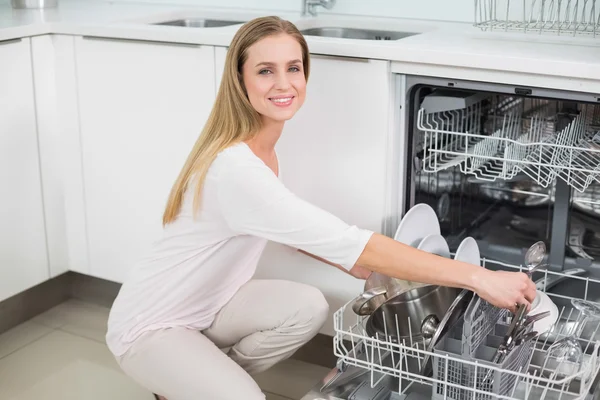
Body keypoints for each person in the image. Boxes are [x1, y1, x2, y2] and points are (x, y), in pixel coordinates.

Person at [105, 15, 536, 400]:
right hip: (151, 327)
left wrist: (360, 267)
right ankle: (188, 381)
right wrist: (480, 279)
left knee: (308, 305)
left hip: (210, 304)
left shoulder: (259, 151)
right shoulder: (237, 169)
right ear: (240, 81)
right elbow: (350, 241)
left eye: (293, 68)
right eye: (265, 71)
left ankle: (195, 384)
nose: (284, 83)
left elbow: (289, 226)